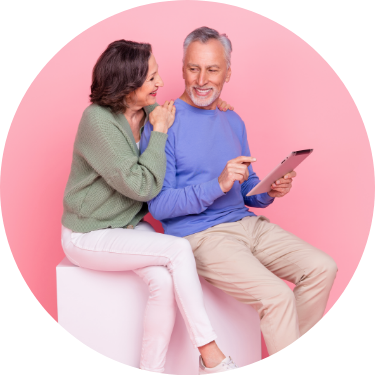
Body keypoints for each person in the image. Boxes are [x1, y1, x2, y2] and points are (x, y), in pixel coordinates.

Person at [140, 26, 338, 363]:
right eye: (193, 68)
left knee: (322, 267)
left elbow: (247, 186)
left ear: (227, 72)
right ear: (182, 68)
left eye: (213, 69)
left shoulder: (233, 120)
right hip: (201, 235)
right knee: (277, 296)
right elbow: (159, 207)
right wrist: (216, 185)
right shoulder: (163, 122)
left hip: (247, 224)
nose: (202, 79)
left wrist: (270, 190)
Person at [60, 39, 239, 374]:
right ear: (129, 85)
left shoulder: (146, 111)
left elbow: (180, 114)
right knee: (178, 251)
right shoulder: (97, 122)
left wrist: (215, 109)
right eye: (152, 78)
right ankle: (211, 354)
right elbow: (143, 186)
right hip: (89, 233)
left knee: (163, 281)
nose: (160, 83)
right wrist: (158, 134)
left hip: (126, 226)